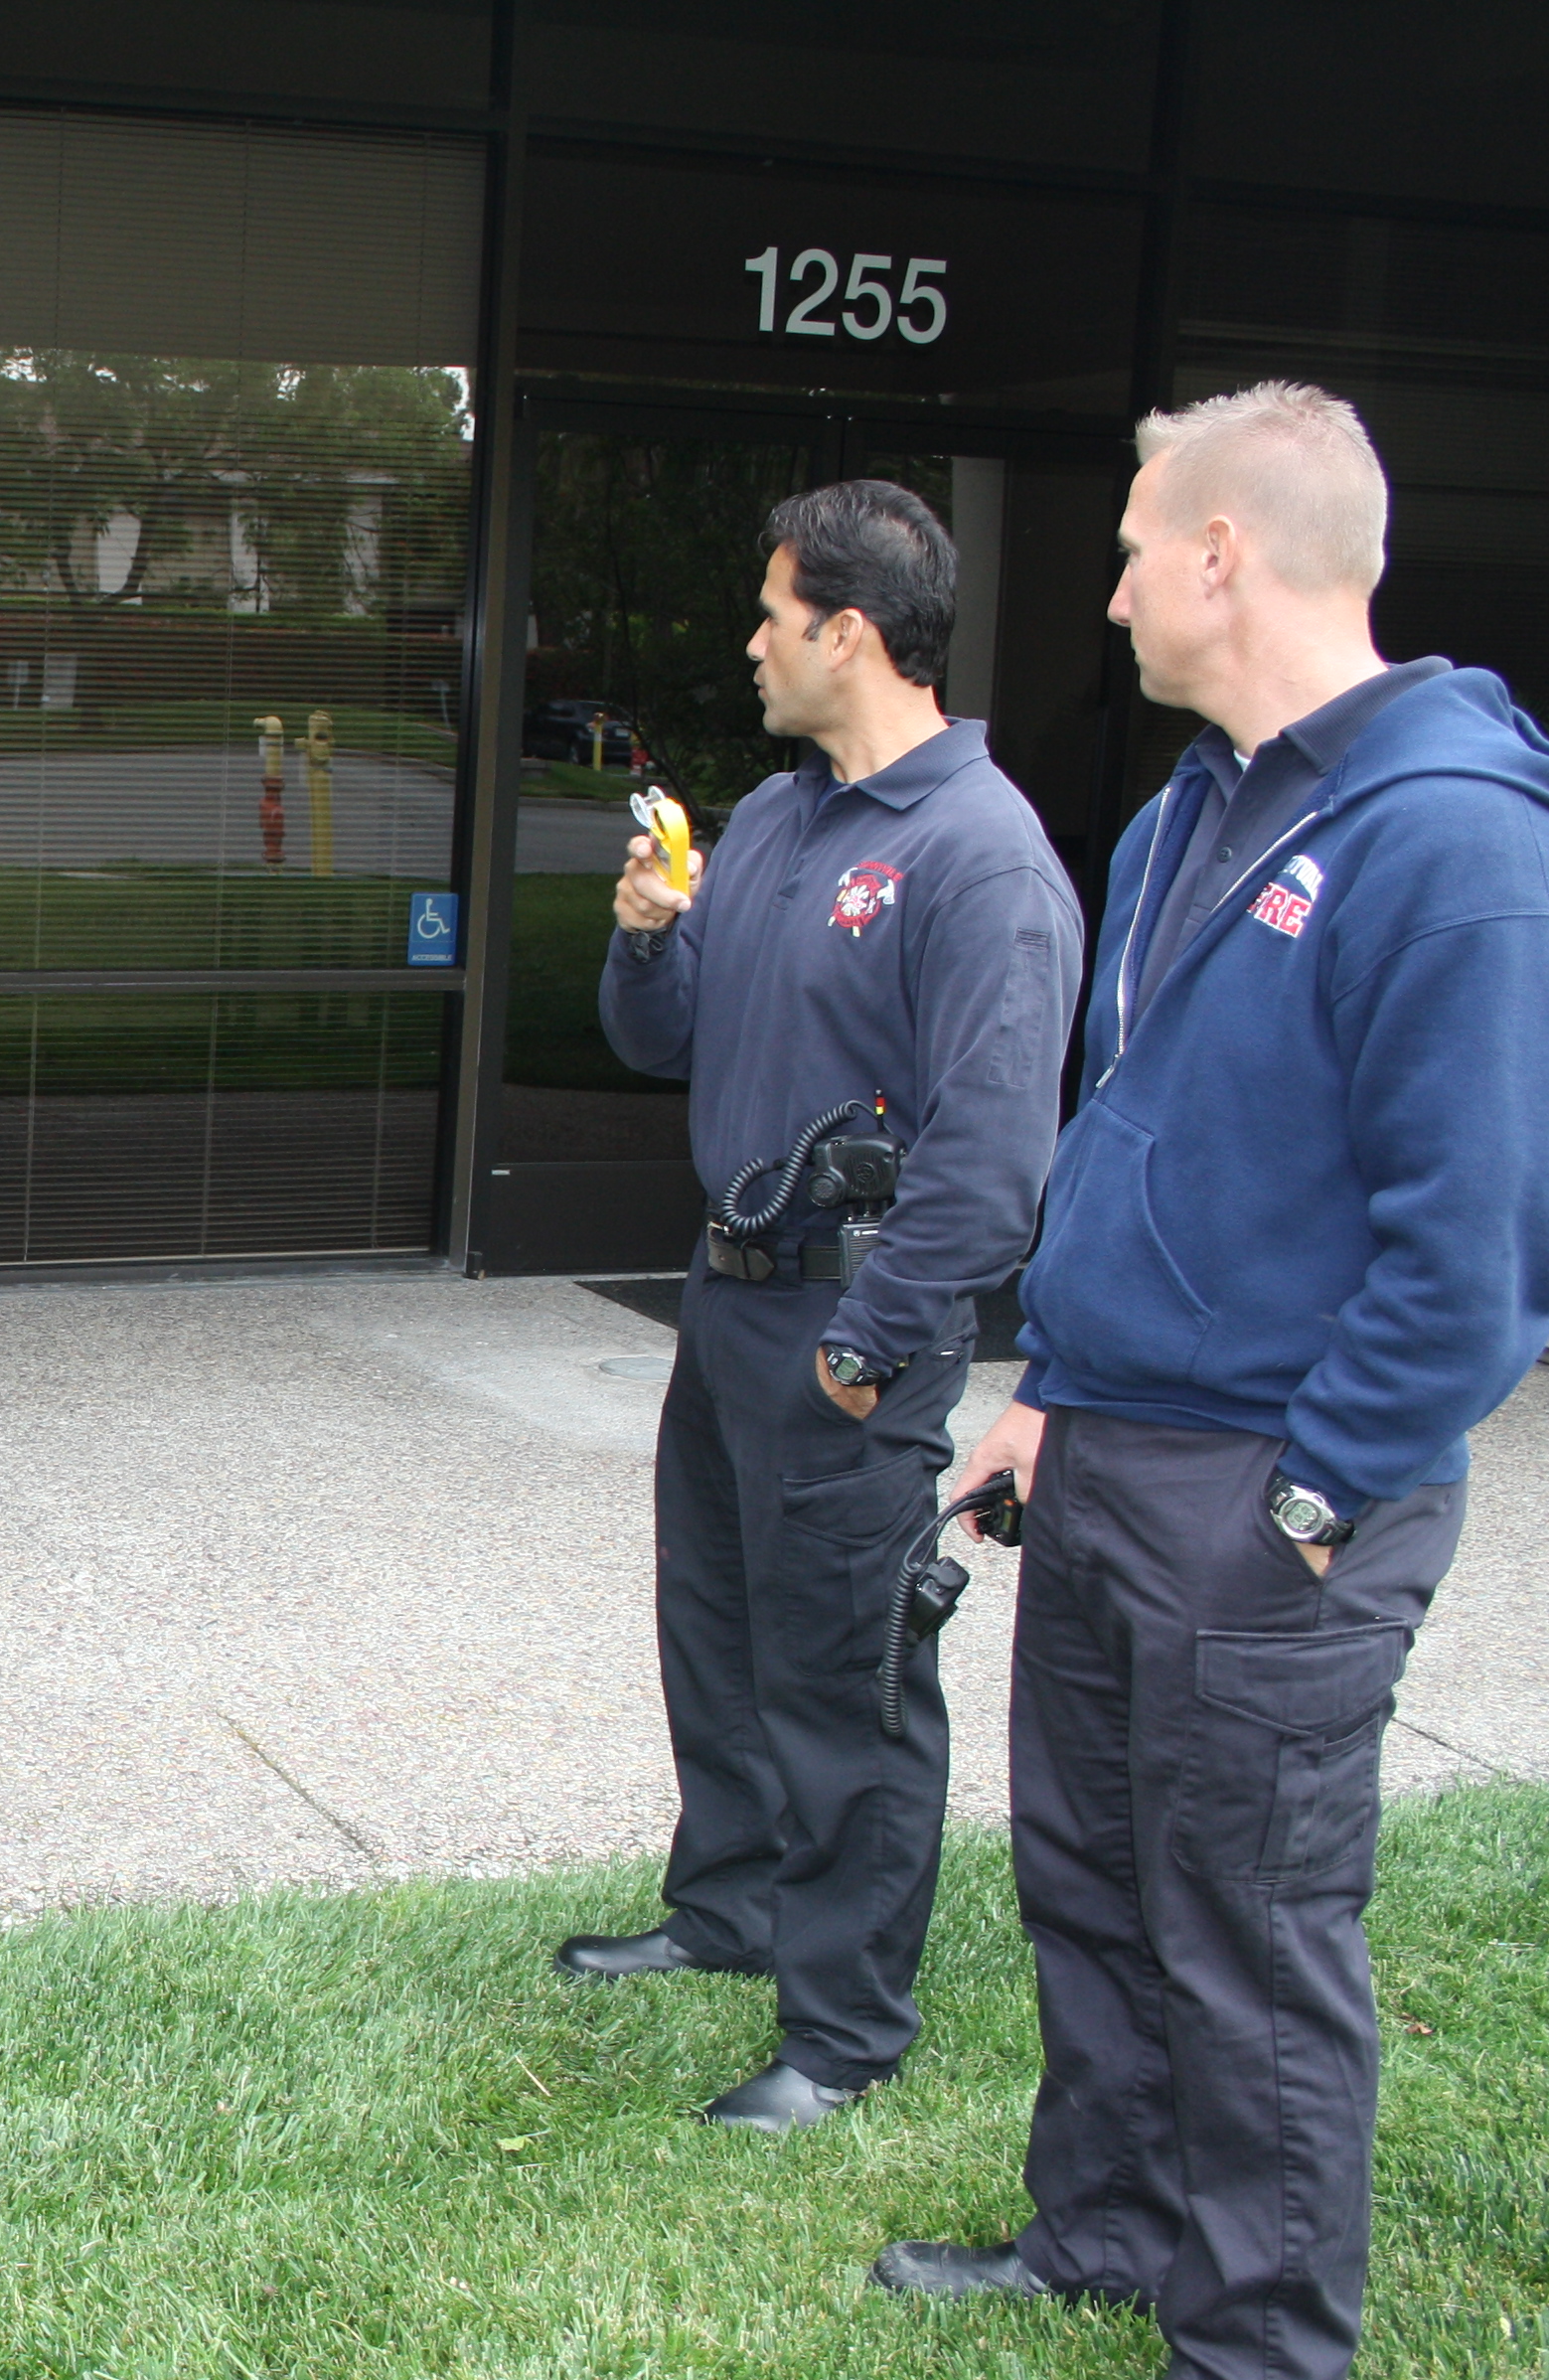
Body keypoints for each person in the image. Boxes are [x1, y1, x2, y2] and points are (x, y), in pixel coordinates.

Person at [873, 386, 1549, 2380]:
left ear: (1222, 553)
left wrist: (1310, 1496)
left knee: (1247, 1934)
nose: (1107, 592)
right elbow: (1139, 1142)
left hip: (1274, 1490)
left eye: (1130, 550)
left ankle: (1255, 2362)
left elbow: (1479, 1249)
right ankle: (1105, 2232)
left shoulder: (1463, 850)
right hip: (1112, 1453)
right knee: (1095, 1888)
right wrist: (1051, 1389)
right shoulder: (1187, 818)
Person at [560, 481, 1083, 2134]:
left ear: (846, 633)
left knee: (847, 1685)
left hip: (856, 1329)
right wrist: (648, 939)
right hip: (726, 1310)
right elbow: (659, 1040)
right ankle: (727, 1911)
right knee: (716, 1636)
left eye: (772, 613)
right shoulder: (780, 822)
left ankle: (844, 2029)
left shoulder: (979, 856)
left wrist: (866, 1352)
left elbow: (992, 1157)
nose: (751, 642)